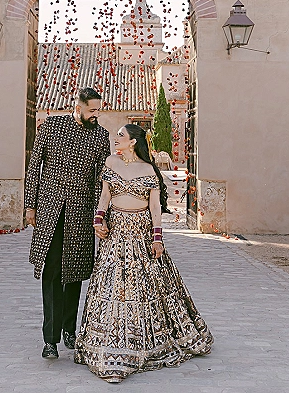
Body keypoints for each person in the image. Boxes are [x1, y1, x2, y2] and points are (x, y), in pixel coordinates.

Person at [74, 123, 213, 383]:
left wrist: (157, 239)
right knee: (112, 287)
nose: (116, 140)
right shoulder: (111, 163)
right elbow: (104, 196)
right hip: (114, 237)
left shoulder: (148, 170)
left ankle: (143, 343)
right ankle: (107, 344)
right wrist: (98, 220)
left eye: (121, 137)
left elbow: (155, 210)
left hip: (140, 235)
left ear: (133, 142)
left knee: (142, 288)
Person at [24, 87, 110, 359]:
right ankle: (49, 340)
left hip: (81, 212)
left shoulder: (101, 136)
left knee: (74, 274)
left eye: (98, 110)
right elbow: (34, 165)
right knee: (50, 274)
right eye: (92, 109)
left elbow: (100, 180)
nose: (96, 114)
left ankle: (69, 330)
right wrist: (30, 205)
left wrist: (100, 215)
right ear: (79, 106)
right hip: (50, 209)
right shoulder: (51, 126)